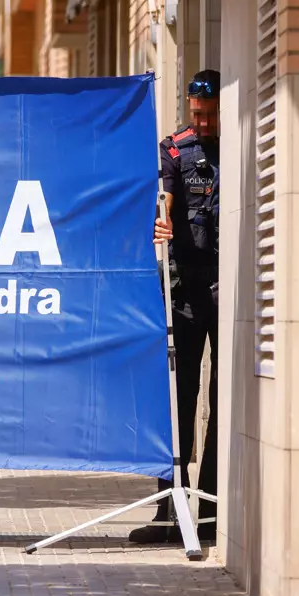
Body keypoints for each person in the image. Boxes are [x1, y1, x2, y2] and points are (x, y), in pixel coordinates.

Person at [130, 69, 220, 544]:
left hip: (227, 292)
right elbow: (161, 198)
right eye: (196, 113)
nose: (202, 122)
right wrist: (158, 221)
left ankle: (210, 509)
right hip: (184, 291)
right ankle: (170, 508)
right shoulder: (174, 149)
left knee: (222, 401)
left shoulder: (240, 142)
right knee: (178, 402)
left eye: (209, 115)